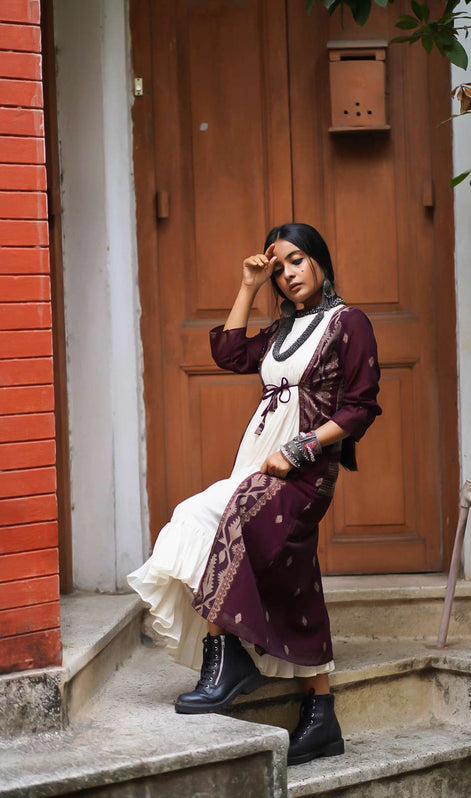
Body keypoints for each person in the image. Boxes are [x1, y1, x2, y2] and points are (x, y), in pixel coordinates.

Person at [127, 222, 381, 766]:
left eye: (297, 260)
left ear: (319, 260)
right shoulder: (282, 330)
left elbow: (360, 407)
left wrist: (301, 448)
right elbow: (228, 351)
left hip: (304, 469)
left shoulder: (348, 322)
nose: (288, 274)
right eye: (279, 268)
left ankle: (228, 659)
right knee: (233, 535)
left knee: (232, 518)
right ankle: (314, 710)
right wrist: (248, 284)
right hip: (257, 462)